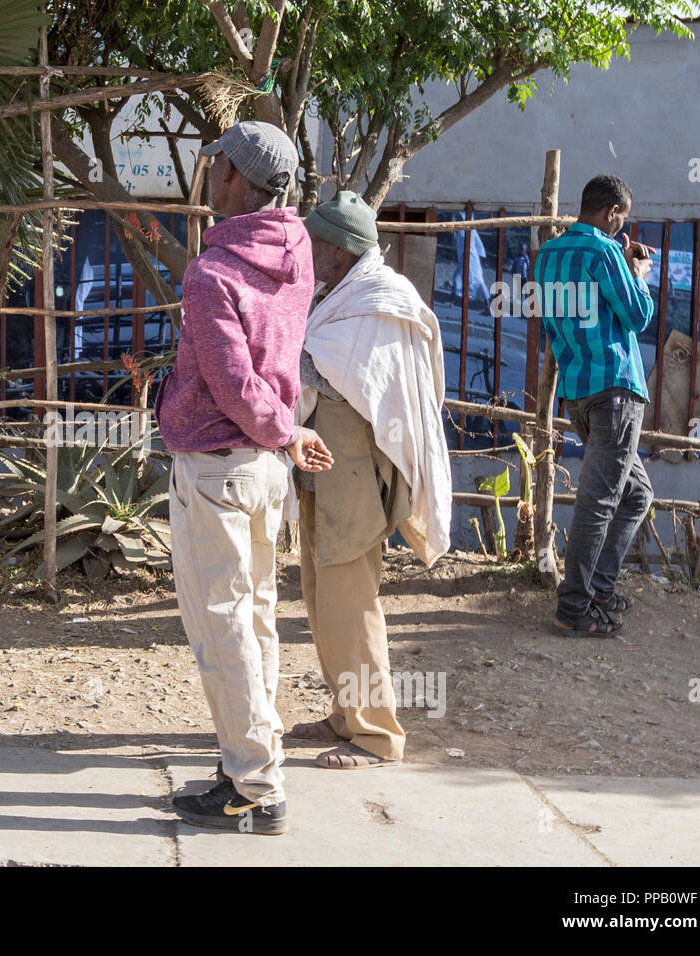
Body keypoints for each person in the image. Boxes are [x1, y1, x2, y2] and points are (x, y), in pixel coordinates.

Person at [157, 121, 332, 835]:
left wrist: (286, 431)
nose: (209, 176)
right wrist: (286, 435)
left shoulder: (212, 273)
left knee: (223, 629)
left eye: (217, 166)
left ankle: (256, 790)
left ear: (233, 175)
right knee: (255, 620)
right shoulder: (297, 250)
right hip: (262, 471)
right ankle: (247, 765)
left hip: (219, 470)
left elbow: (233, 385)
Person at [291, 191, 452, 767]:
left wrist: (290, 356)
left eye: (316, 242)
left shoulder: (380, 298)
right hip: (320, 466)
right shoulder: (337, 296)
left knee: (350, 597)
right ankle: (344, 714)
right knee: (320, 594)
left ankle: (377, 736)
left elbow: (350, 377)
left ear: (337, 248)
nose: (308, 250)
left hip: (351, 470)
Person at [536, 174, 654, 635]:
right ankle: (574, 606)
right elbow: (638, 315)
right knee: (600, 501)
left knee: (636, 493)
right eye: (620, 219)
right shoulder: (606, 251)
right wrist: (638, 274)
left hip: (579, 391)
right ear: (611, 213)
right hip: (616, 392)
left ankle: (599, 588)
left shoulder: (547, 256)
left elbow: (553, 326)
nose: (620, 227)